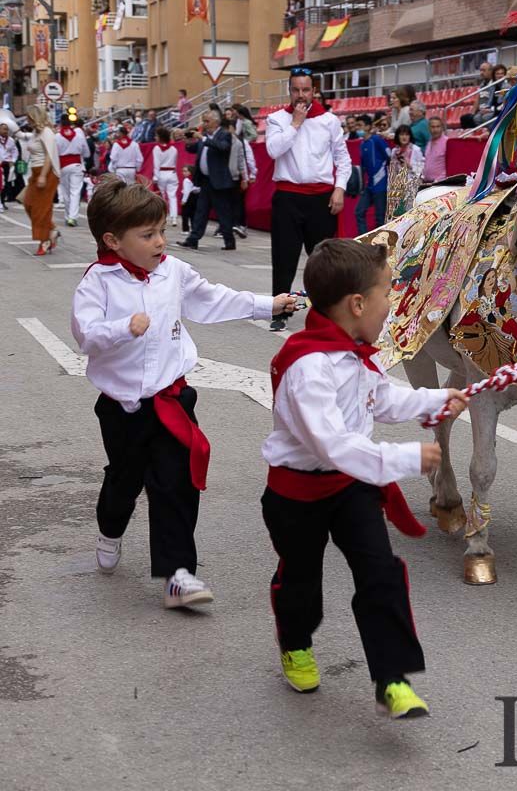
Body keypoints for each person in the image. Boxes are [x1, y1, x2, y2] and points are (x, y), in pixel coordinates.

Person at [260, 238, 467, 715]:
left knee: (380, 573)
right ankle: (295, 642)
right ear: (357, 304)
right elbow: (333, 445)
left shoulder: (356, 354)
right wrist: (406, 459)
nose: (391, 304)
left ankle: (391, 678)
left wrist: (437, 401)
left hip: (350, 488)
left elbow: (385, 400)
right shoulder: (308, 368)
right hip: (297, 493)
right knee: (301, 582)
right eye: (387, 294)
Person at [70, 177, 295, 608]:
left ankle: (178, 575)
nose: (160, 242)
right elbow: (86, 335)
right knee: (123, 482)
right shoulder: (97, 282)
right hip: (121, 409)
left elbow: (213, 299)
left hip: (172, 399)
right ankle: (110, 529)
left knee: (176, 484)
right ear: (113, 240)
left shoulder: (173, 271)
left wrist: (269, 304)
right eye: (148, 234)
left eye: (161, 231)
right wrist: (122, 328)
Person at [265, 67, 352, 331]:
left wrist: (340, 188)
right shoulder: (277, 119)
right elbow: (273, 150)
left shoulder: (329, 121)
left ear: (314, 91)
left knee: (323, 260)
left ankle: (326, 312)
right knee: (283, 258)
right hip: (288, 196)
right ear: (289, 91)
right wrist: (295, 124)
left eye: (305, 90)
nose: (301, 95)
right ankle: (280, 311)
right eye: (295, 90)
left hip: (320, 198)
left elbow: (343, 159)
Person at [178, 111, 237, 251]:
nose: (204, 124)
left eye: (207, 121)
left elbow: (223, 147)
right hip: (204, 180)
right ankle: (193, 239)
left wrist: (203, 138)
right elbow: (194, 149)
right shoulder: (204, 138)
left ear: (216, 122)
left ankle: (229, 240)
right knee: (201, 211)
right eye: (204, 121)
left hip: (218, 180)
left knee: (223, 212)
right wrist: (187, 142)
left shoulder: (224, 134)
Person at [22, 106, 60, 256]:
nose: (27, 120)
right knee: (28, 203)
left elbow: (49, 157)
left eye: (29, 117)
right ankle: (51, 230)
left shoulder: (47, 132)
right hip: (35, 171)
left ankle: (45, 240)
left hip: (47, 173)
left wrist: (43, 175)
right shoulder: (36, 132)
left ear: (35, 117)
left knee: (41, 209)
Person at [356, 121, 391, 235]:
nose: (358, 129)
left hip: (380, 184)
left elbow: (389, 154)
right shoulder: (362, 144)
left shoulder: (376, 140)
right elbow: (363, 166)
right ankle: (364, 241)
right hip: (369, 185)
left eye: (360, 125)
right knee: (359, 212)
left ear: (367, 126)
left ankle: (381, 245)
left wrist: (383, 174)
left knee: (380, 218)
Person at [57, 118, 91, 228]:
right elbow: (87, 153)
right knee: (75, 192)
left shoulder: (56, 137)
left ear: (61, 124)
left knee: (66, 192)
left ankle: (68, 216)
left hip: (62, 166)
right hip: (76, 165)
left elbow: (54, 153)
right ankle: (72, 217)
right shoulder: (79, 136)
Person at [387, 124, 424, 218]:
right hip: (397, 188)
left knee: (411, 214)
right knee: (397, 216)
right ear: (397, 136)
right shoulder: (394, 151)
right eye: (402, 134)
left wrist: (409, 166)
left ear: (410, 136)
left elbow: (422, 170)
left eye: (407, 134)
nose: (404, 137)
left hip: (412, 187)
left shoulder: (416, 150)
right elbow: (392, 171)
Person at [151, 127, 179, 227]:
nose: (155, 137)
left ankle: (163, 217)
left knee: (161, 196)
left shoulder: (157, 148)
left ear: (160, 137)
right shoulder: (173, 148)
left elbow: (156, 164)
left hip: (161, 173)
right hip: (172, 173)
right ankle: (174, 218)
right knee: (172, 196)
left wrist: (155, 177)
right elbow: (175, 162)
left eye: (156, 135)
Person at [420, 115, 448, 183]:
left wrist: (437, 181)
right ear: (429, 128)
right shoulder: (429, 142)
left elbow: (449, 166)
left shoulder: (447, 142)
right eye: (432, 127)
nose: (435, 130)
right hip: (427, 182)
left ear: (442, 127)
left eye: (438, 126)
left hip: (440, 183)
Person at [0, 122, 18, 210]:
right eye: (4, 129)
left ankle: (2, 201)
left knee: (6, 184)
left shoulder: (11, 140)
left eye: (7, 129)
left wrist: (13, 161)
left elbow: (15, 151)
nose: (5, 131)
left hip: (7, 164)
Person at [180, 165, 198, 234]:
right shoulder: (195, 179)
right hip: (195, 197)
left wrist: (183, 201)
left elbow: (186, 192)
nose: (183, 173)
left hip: (188, 198)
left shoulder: (187, 180)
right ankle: (194, 228)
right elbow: (198, 189)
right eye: (183, 171)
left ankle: (185, 229)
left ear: (190, 172)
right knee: (193, 214)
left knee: (185, 215)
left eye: (185, 171)